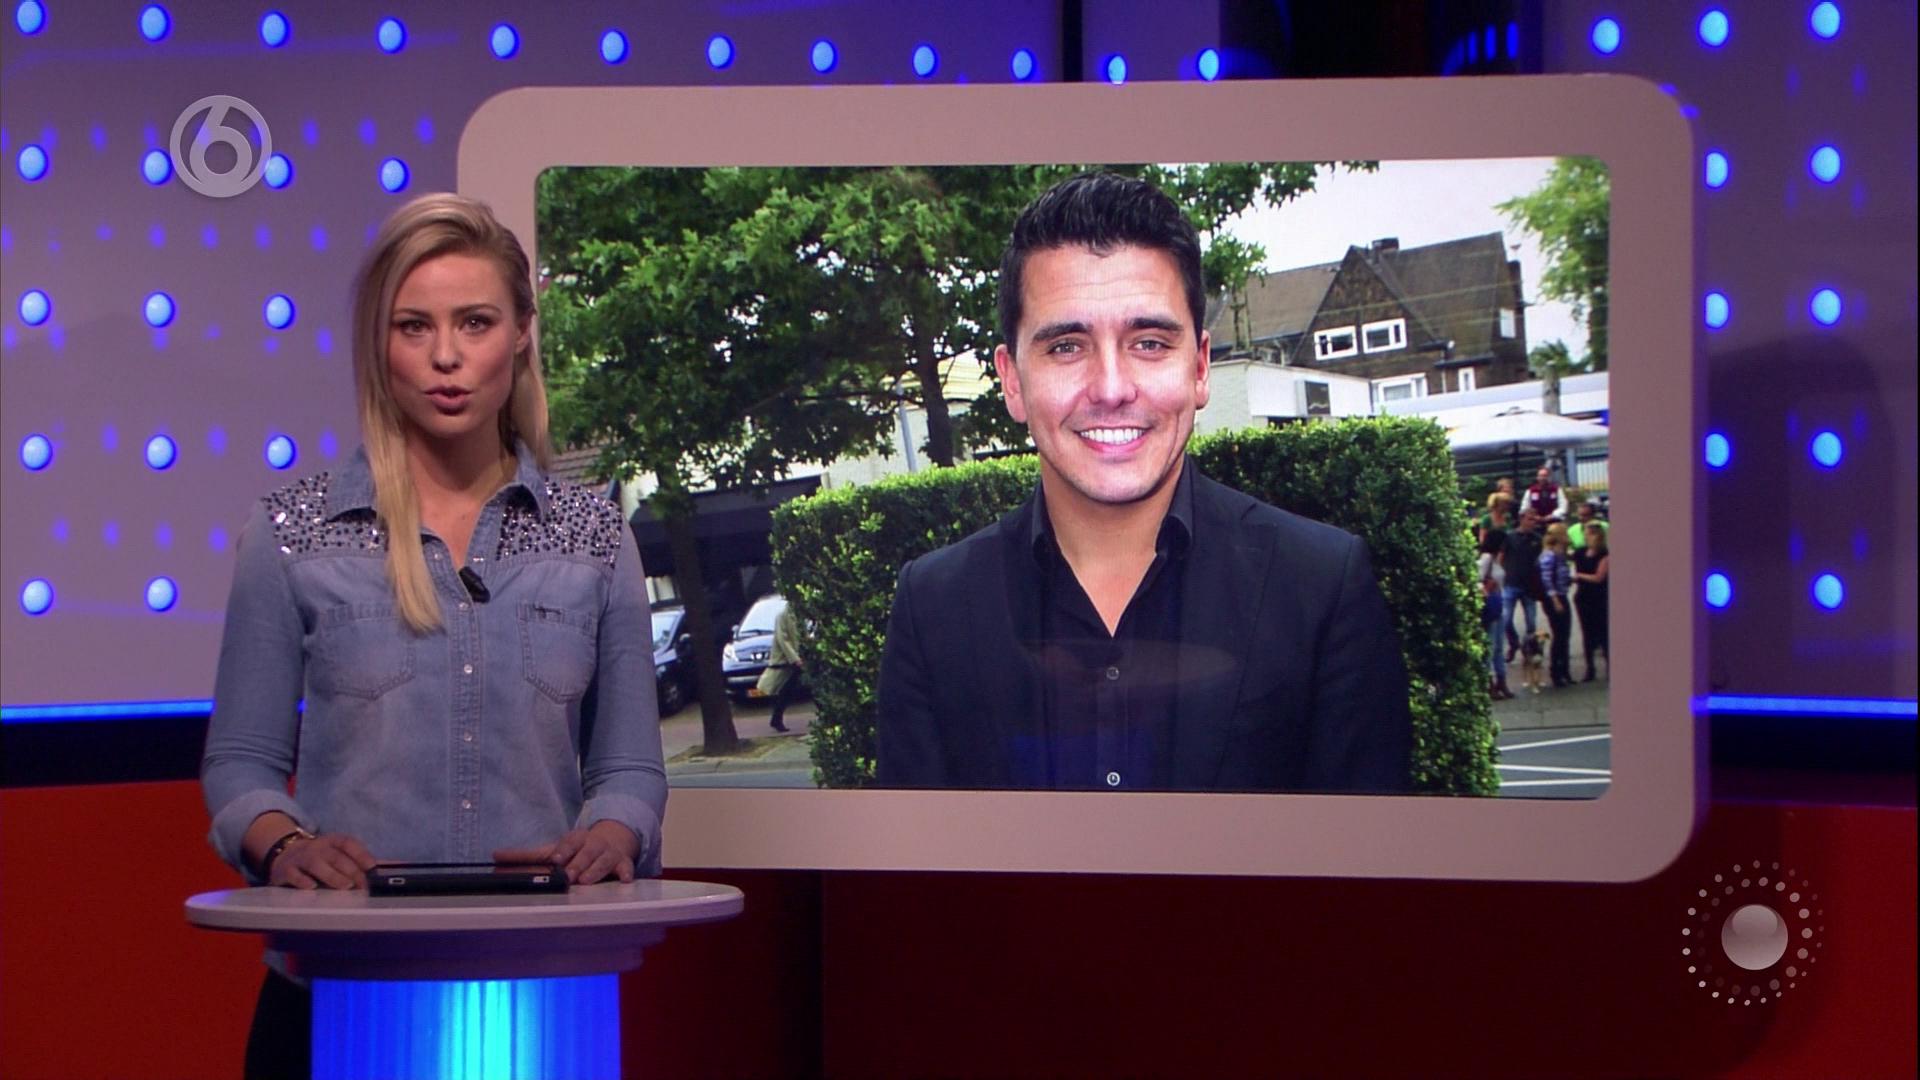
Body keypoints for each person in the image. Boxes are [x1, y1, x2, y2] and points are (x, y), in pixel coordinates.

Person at [199, 193, 667, 1079]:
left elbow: (632, 771)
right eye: (414, 326)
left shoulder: (594, 537)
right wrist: (287, 844)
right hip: (338, 995)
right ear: (379, 344)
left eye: (475, 323)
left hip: (537, 998)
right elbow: (240, 764)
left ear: (521, 333)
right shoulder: (292, 534)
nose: (446, 357)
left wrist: (613, 832)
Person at [875, 172, 1411, 794]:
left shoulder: (1322, 587)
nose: (1111, 387)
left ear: (1200, 367)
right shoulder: (933, 609)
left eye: (1150, 343)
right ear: (1013, 381)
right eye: (1066, 347)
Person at [1502, 509, 1545, 661]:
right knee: (1506, 620)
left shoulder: (1537, 539)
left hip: (1529, 585)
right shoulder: (1510, 537)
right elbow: (1501, 557)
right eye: (1530, 519)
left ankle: (1530, 649)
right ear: (1521, 519)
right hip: (1511, 582)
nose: (1533, 522)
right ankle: (1514, 643)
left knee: (1531, 622)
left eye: (1535, 520)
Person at [1571, 521, 1610, 681]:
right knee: (1586, 632)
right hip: (1583, 596)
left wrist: (1579, 576)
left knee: (1603, 631)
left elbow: (1599, 577)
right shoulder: (1580, 552)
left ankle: (1610, 666)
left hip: (1599, 596)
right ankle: (1590, 668)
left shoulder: (1604, 554)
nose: (1585, 537)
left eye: (1587, 534)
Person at [758, 600, 805, 732]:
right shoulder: (782, 616)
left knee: (787, 691)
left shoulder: (799, 616)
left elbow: (801, 636)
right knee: (785, 691)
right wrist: (795, 659)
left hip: (795, 658)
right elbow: (783, 640)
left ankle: (776, 719)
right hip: (786, 660)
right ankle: (776, 719)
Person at [1478, 527, 1513, 700]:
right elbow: (1477, 578)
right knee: (1491, 646)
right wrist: (1485, 589)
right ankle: (1489, 682)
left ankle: (1501, 680)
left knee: (1498, 645)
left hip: (1498, 603)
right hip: (1491, 604)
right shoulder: (1486, 559)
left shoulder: (1496, 559)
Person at [1538, 525, 1575, 688]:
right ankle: (1556, 672)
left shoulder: (1560, 555)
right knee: (1559, 635)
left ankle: (1565, 671)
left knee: (1565, 635)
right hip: (1554, 599)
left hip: (1562, 594)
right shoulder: (1549, 555)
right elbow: (1546, 580)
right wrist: (1555, 600)